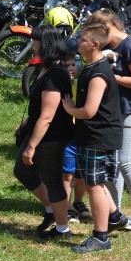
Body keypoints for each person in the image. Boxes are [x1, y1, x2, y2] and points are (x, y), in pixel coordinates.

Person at [61, 21, 125, 253]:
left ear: (95, 44)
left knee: (94, 185)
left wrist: (70, 109)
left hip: (99, 136)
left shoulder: (98, 73)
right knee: (94, 183)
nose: (78, 42)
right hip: (92, 136)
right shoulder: (90, 66)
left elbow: (89, 111)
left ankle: (101, 238)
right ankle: (115, 216)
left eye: (83, 40)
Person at [91, 9, 131, 231]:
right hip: (119, 111)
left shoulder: (130, 47)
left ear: (107, 28)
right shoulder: (111, 47)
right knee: (115, 164)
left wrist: (112, 77)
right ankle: (114, 213)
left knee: (127, 162)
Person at [13, 25, 74, 240]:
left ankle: (62, 228)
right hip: (38, 130)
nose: (33, 45)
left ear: (45, 43)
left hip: (51, 136)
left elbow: (48, 115)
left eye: (35, 41)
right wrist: (27, 122)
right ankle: (51, 211)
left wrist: (31, 146)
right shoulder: (45, 68)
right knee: (22, 170)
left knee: (52, 180)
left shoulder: (56, 73)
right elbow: (40, 107)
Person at [59, 53, 90, 223]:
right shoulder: (58, 87)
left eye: (73, 65)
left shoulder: (80, 85)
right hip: (67, 136)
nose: (71, 69)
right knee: (68, 174)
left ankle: (78, 201)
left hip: (82, 134)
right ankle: (66, 207)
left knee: (82, 174)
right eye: (66, 66)